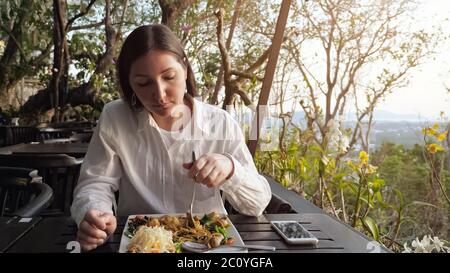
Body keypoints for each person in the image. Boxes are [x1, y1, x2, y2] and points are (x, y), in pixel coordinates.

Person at [71, 24, 271, 251]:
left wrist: (230, 168)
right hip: (140, 243)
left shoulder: (221, 123)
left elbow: (258, 204)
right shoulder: (115, 117)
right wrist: (96, 213)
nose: (159, 94)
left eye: (169, 77)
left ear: (185, 69)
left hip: (207, 245)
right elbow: (95, 183)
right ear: (129, 83)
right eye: (143, 83)